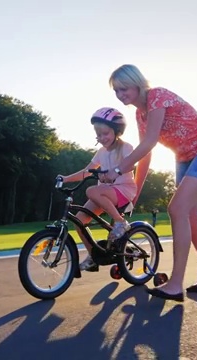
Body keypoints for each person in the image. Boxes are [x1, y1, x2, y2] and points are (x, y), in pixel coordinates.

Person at [103, 64, 197, 302]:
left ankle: (175, 284)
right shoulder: (140, 114)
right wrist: (135, 191)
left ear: (137, 83)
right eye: (116, 91)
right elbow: (146, 153)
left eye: (124, 88)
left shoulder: (156, 96)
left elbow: (149, 142)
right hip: (184, 157)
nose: (120, 95)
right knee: (190, 219)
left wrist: (117, 169)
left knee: (176, 209)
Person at [59, 107, 137, 271]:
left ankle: (120, 222)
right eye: (99, 134)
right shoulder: (101, 152)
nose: (102, 138)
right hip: (105, 193)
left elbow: (131, 164)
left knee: (91, 191)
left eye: (105, 133)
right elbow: (87, 172)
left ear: (117, 131)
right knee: (80, 222)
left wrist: (114, 173)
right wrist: (65, 179)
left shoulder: (125, 147)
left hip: (123, 190)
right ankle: (93, 257)